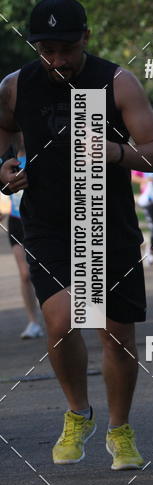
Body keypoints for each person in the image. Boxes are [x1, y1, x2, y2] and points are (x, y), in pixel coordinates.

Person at [0, 0, 153, 469]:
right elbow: (2, 130)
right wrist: (4, 167)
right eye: (46, 51)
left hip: (106, 221)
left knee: (116, 334)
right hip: (47, 223)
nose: (57, 60)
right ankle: (78, 412)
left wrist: (117, 154)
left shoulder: (116, 82)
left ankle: (120, 428)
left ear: (86, 39)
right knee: (61, 320)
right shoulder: (16, 85)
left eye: (66, 49)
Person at [2, 136, 43, 338]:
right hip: (17, 221)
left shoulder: (40, 156)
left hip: (40, 221)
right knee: (25, 274)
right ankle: (33, 322)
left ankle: (58, 315)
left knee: (46, 271)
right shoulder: (7, 159)